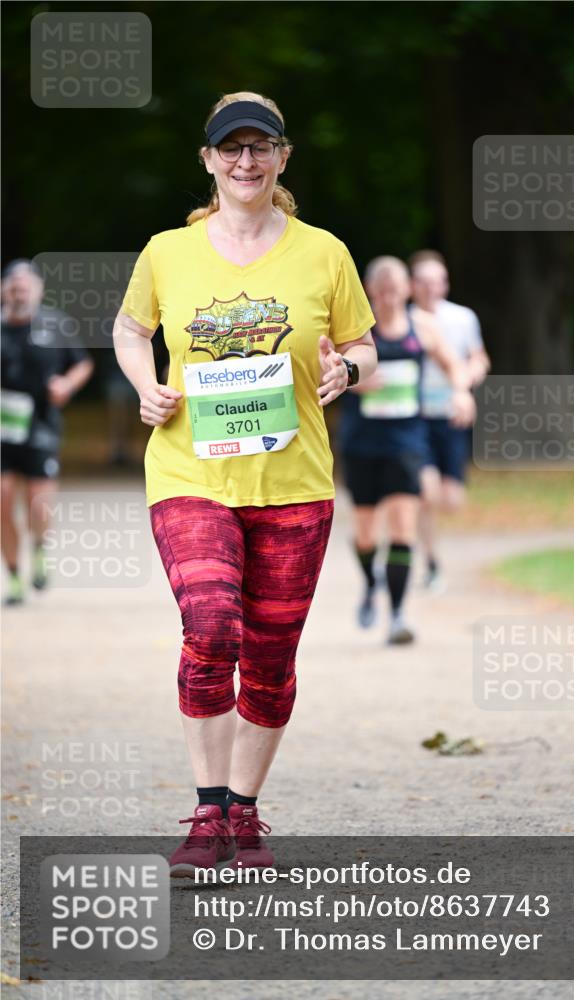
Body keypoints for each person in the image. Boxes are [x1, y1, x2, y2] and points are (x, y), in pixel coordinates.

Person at [113, 91, 377, 877]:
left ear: (282, 158)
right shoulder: (167, 251)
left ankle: (245, 813)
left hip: (294, 481)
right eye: (231, 148)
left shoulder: (323, 252)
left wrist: (349, 370)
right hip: (190, 470)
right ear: (208, 161)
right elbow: (131, 328)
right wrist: (142, 385)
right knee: (212, 629)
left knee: (270, 655)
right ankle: (206, 810)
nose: (246, 160)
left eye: (261, 147)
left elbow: (365, 344)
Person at [339, 256, 475, 645]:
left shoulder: (423, 328)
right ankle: (370, 583)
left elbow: (454, 365)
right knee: (365, 534)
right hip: (362, 445)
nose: (389, 298)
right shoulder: (355, 331)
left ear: (407, 290)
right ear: (369, 291)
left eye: (396, 290)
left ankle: (397, 614)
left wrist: (462, 393)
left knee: (402, 528)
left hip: (407, 444)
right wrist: (351, 380)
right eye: (381, 292)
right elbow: (320, 371)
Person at [1, 259, 93, 605]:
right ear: (2, 291)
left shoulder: (55, 326)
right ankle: (12, 575)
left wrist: (66, 384)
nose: (19, 288)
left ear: (39, 291)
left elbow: (82, 363)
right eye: (12, 283)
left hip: (40, 427)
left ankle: (38, 548)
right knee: (3, 501)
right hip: (3, 433)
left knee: (39, 505)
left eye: (26, 283)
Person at [409, 250, 490, 589]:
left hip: (451, 416)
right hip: (415, 416)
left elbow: (479, 359)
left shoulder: (463, 318)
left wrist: (466, 384)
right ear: (413, 285)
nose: (431, 288)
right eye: (424, 282)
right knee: (425, 494)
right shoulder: (402, 319)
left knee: (451, 500)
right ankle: (431, 562)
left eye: (437, 281)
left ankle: (428, 545)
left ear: (446, 283)